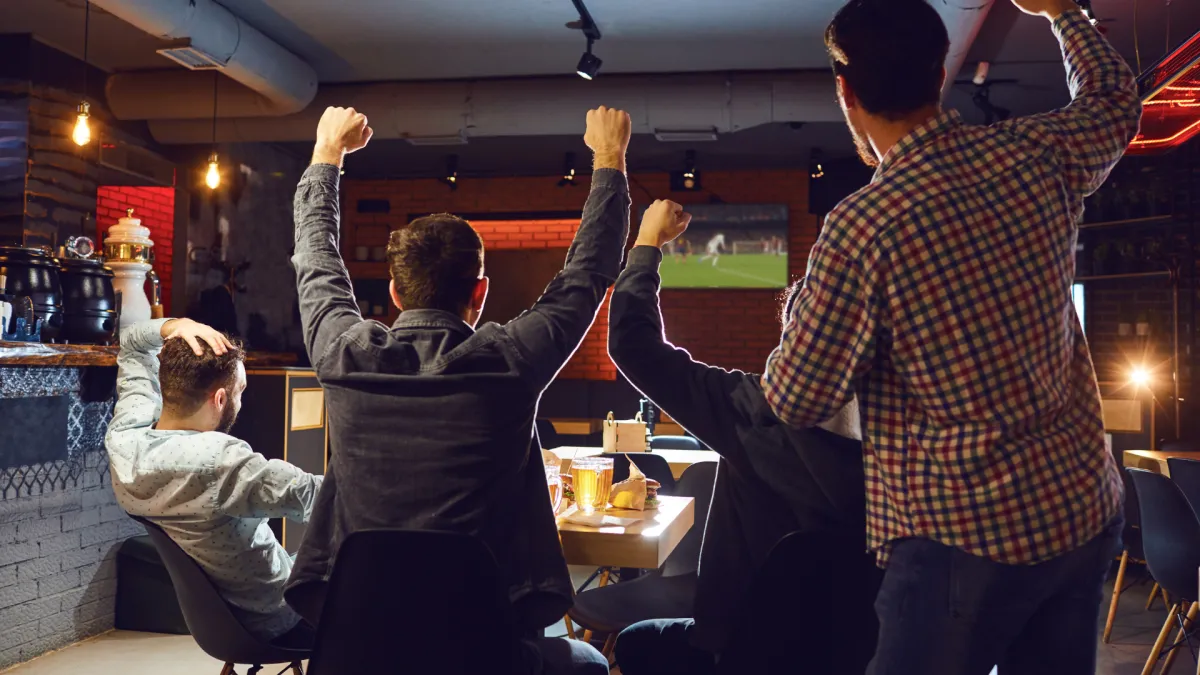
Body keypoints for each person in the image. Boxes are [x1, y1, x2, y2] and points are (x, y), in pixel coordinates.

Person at [760, 0, 1140, 673]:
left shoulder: (863, 228)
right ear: (940, 75)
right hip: (1079, 505)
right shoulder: (1036, 152)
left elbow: (795, 395)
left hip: (961, 538)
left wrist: (801, 302)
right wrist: (1062, 12)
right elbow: (1113, 98)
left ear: (846, 91)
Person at [286, 105, 632, 675]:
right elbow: (589, 273)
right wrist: (610, 160)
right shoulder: (511, 360)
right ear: (480, 292)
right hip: (487, 653)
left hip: (361, 649)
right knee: (591, 663)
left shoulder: (342, 355)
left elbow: (314, 260)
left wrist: (327, 156)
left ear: (395, 293)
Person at [609, 201, 876, 674]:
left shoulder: (753, 409)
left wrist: (647, 243)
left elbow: (633, 344)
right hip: (859, 655)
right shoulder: (907, 434)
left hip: (739, 652)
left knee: (633, 644)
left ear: (791, 341)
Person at [105, 318, 323, 647]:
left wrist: (174, 326)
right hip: (280, 616)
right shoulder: (221, 463)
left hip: (219, 621)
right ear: (220, 399)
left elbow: (133, 346)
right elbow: (324, 499)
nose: (241, 400)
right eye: (240, 391)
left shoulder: (126, 442)